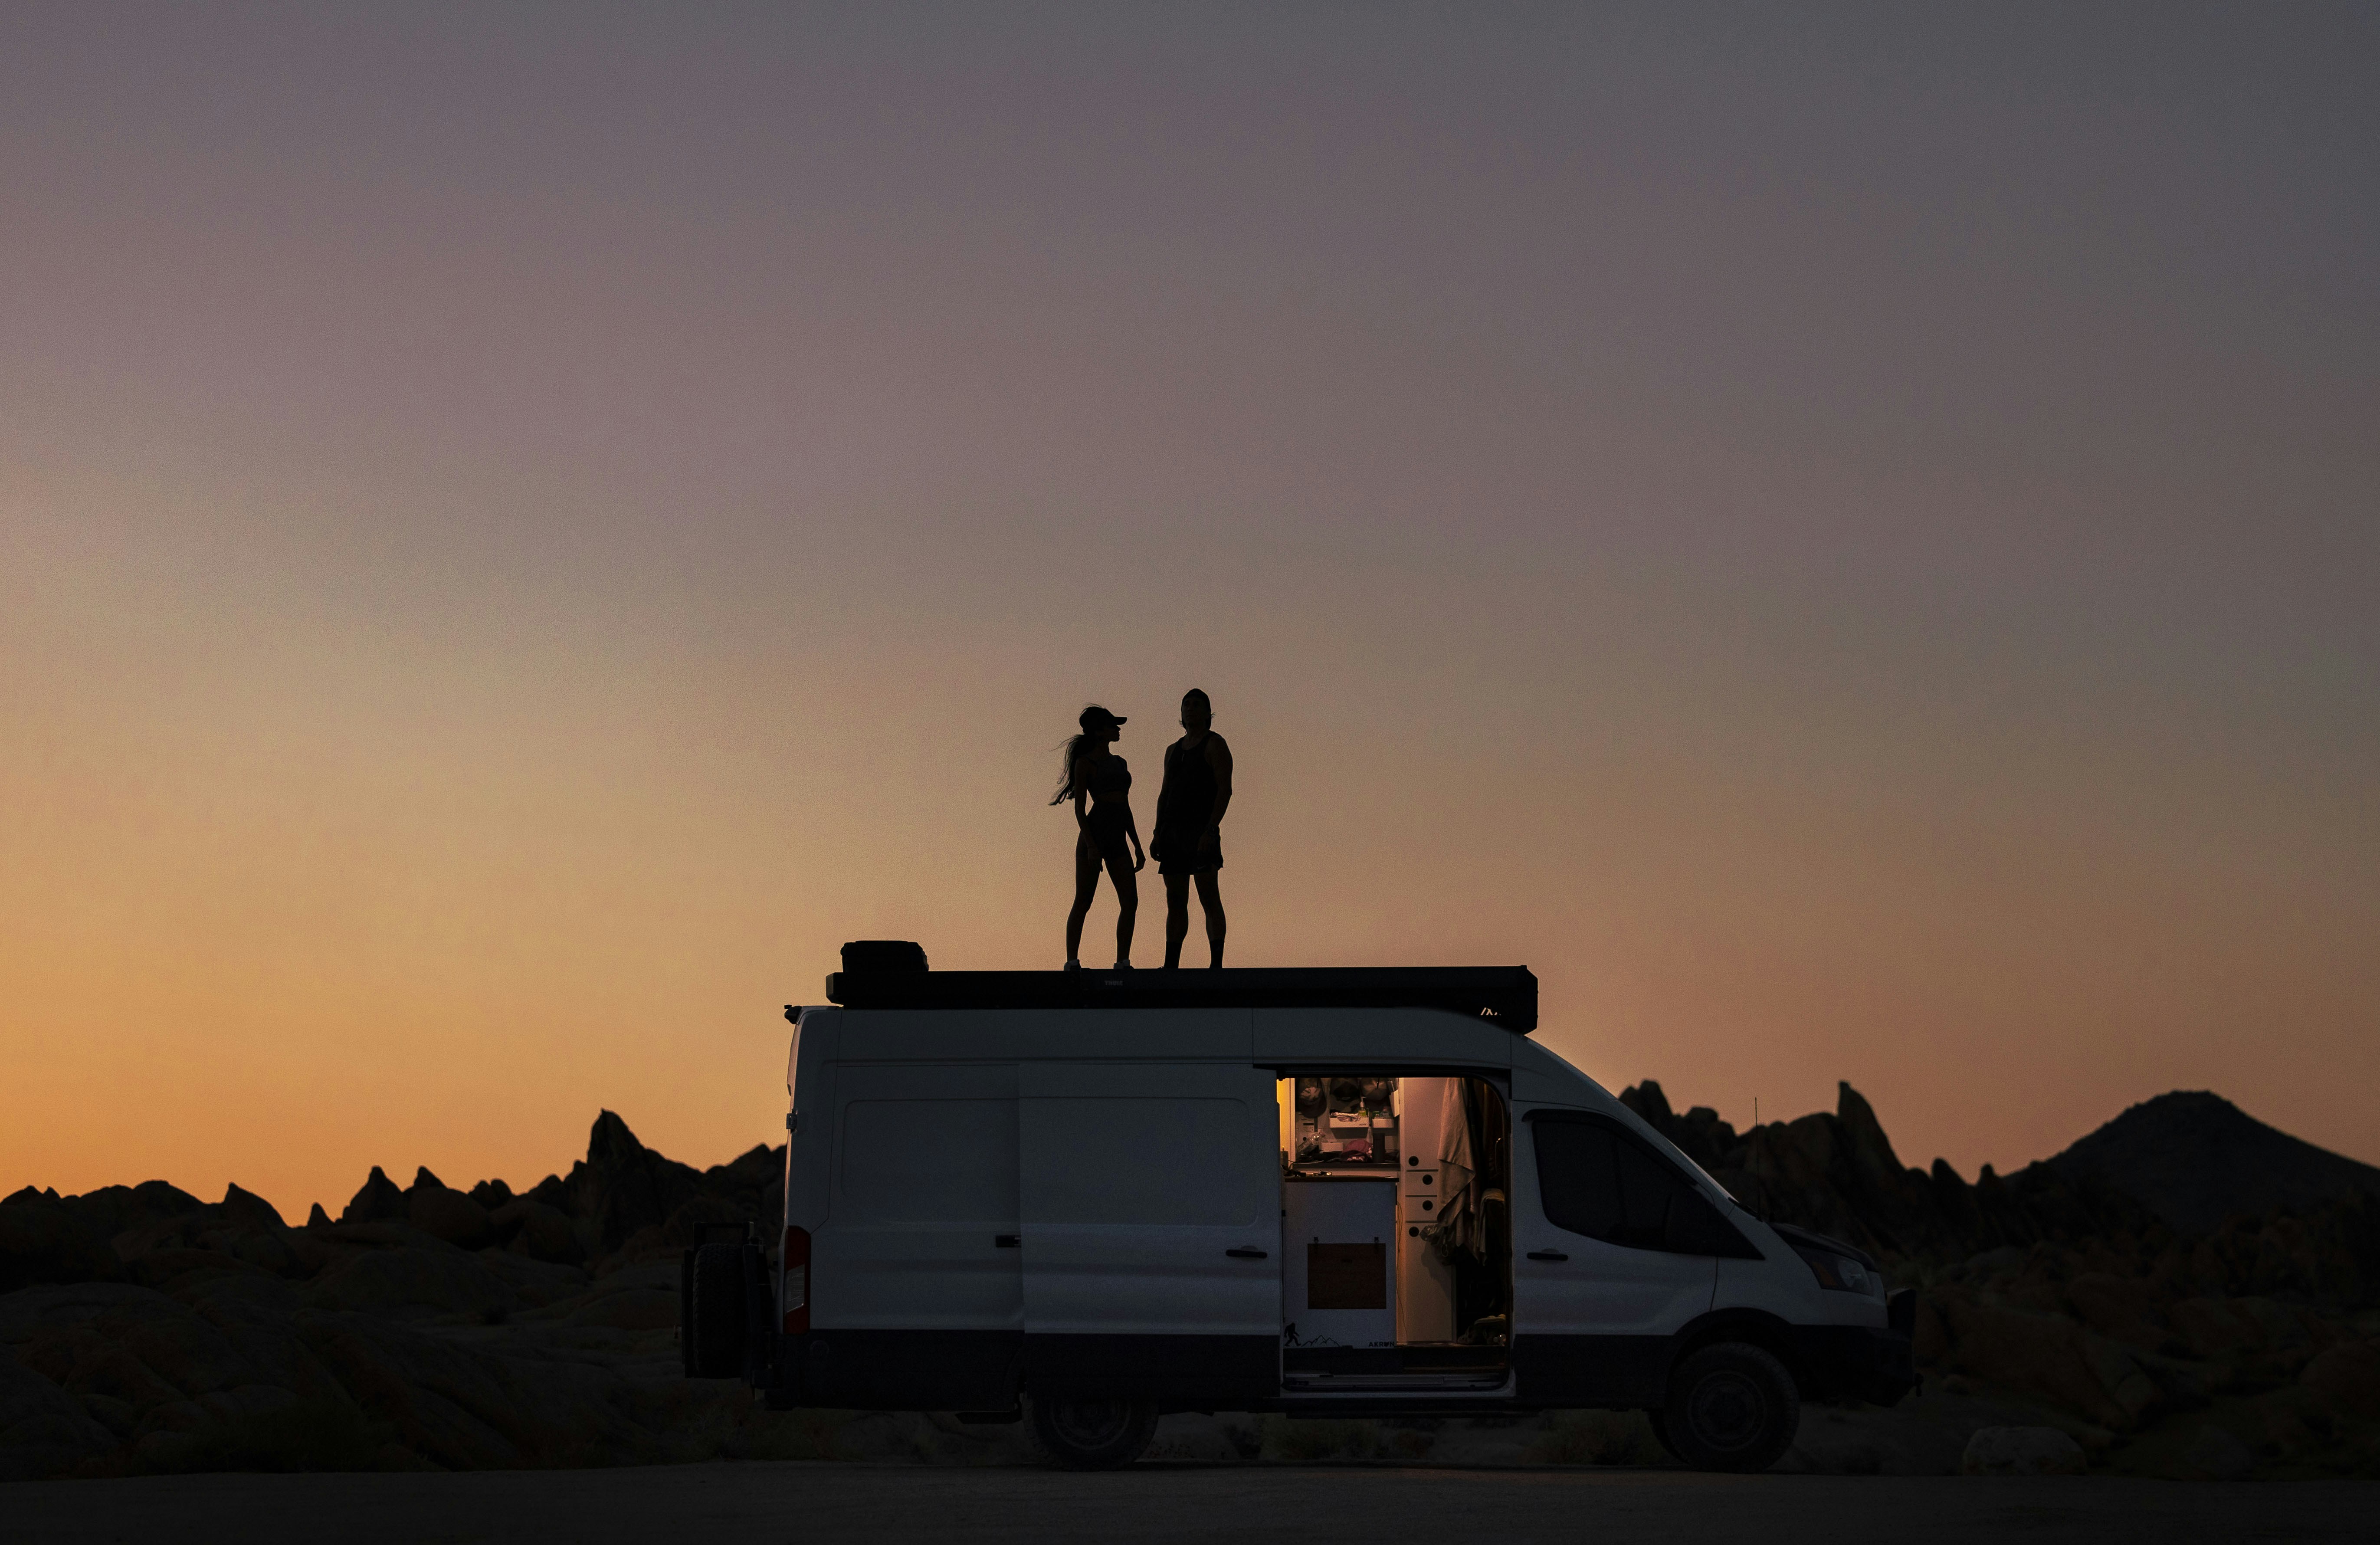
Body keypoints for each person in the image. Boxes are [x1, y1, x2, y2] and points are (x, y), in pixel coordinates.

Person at [1052, 704, 1144, 970]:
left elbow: (1125, 807)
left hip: (1118, 837)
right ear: (1099, 731)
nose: (1117, 729)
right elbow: (1080, 809)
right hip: (1095, 834)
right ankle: (1071, 961)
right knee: (1084, 899)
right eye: (1112, 725)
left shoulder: (1120, 763)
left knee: (1130, 901)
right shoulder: (1086, 763)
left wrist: (1136, 845)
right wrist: (1092, 845)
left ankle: (1123, 961)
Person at [1153, 688, 1232, 969]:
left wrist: (1211, 828)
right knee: (1175, 899)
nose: (1191, 709)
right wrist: (1157, 832)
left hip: (1201, 831)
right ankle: (1171, 965)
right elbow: (1165, 794)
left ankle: (1216, 965)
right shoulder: (1172, 751)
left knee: (1209, 894)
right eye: (1186, 704)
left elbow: (1225, 789)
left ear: (1207, 713)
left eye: (1197, 705)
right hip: (1172, 833)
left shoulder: (1215, 745)